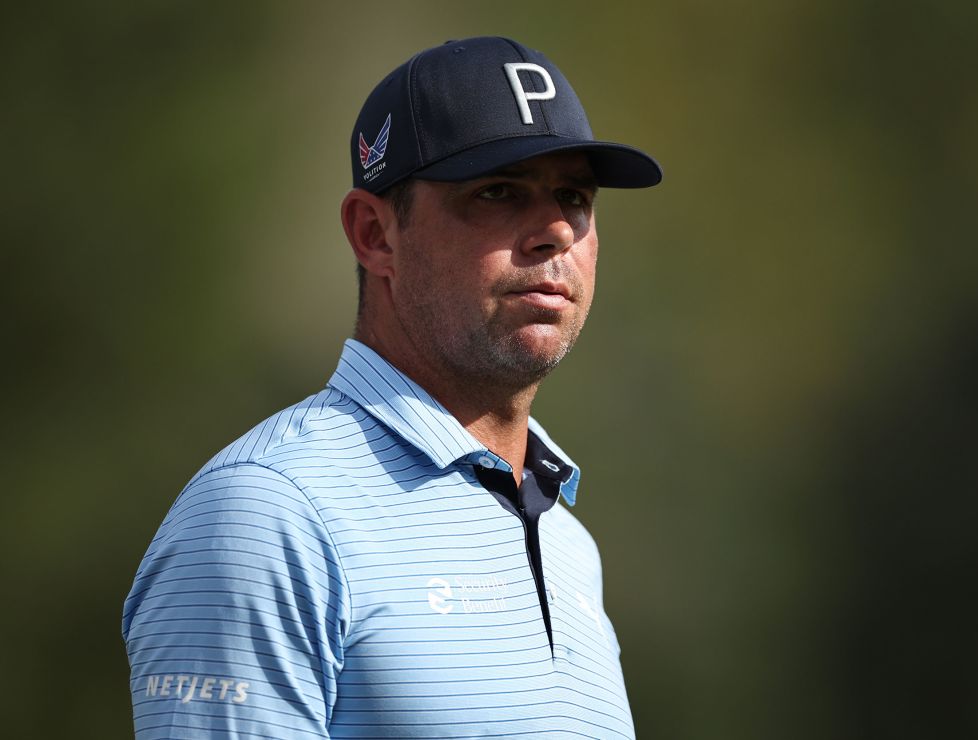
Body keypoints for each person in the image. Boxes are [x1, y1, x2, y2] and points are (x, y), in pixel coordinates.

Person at [122, 36, 661, 739]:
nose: (556, 229)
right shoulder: (266, 513)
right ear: (374, 233)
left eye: (574, 196)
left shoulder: (567, 540)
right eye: (498, 192)